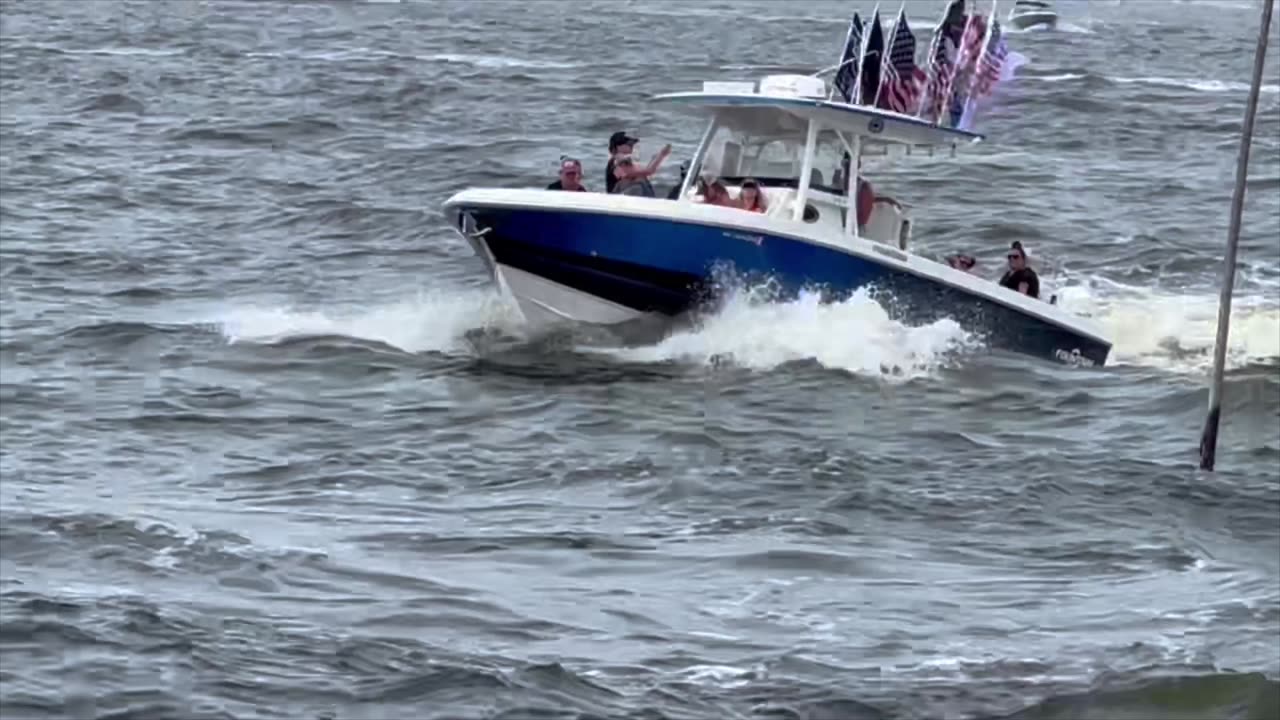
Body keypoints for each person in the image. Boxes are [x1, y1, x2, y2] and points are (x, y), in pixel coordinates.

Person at [606, 130, 671, 194]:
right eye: (628, 144)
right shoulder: (618, 160)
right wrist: (662, 155)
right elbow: (648, 171)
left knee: (641, 179)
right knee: (639, 182)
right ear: (617, 146)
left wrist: (654, 159)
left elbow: (643, 172)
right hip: (616, 197)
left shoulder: (619, 160)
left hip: (620, 195)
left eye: (632, 144)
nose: (632, 145)